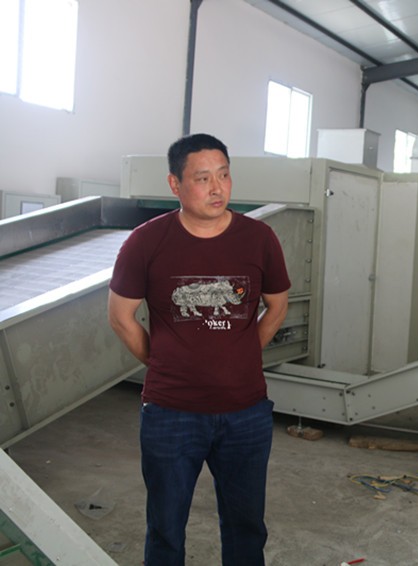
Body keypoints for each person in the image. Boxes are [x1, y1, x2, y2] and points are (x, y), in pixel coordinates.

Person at [107, 133, 290, 565]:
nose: (217, 188)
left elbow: (278, 305)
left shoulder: (259, 238)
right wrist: (161, 361)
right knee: (166, 529)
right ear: (175, 184)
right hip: (171, 414)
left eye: (224, 175)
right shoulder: (146, 242)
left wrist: (244, 352)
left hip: (246, 413)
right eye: (203, 178)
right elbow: (120, 317)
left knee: (247, 528)